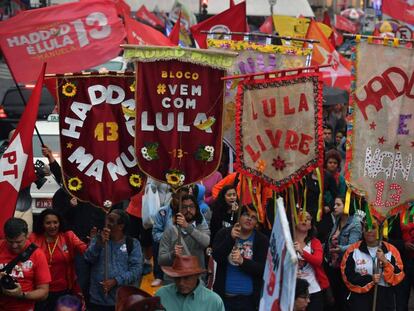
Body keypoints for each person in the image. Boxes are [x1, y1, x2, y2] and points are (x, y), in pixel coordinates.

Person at [84, 209, 143, 311]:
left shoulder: (132, 243)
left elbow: (136, 270)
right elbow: (88, 258)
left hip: (122, 300)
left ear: (121, 226)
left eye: (111, 221)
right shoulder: (98, 239)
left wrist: (116, 281)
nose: (107, 223)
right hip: (98, 300)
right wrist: (99, 244)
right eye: (107, 219)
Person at [212, 205, 269, 310]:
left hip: (249, 301)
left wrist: (243, 262)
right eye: (246, 215)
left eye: (254, 217)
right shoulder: (224, 233)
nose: (249, 219)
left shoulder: (262, 240)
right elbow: (216, 256)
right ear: (239, 216)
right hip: (225, 299)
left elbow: (263, 269)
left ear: (257, 222)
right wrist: (230, 239)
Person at [29, 209, 87, 311]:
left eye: (55, 222)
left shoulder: (68, 236)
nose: (52, 226)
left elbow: (86, 251)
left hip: (63, 290)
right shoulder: (33, 238)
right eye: (48, 223)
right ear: (42, 224)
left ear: (60, 223)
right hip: (40, 290)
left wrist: (95, 242)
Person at [341, 220, 405, 310]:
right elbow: (347, 277)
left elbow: (398, 277)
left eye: (374, 227)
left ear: (380, 230)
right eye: (366, 227)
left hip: (384, 300)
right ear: (362, 229)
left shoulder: (391, 250)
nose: (369, 230)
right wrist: (370, 279)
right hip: (359, 302)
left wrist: (386, 263)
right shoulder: (352, 250)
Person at [0, 218, 51, 311]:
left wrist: (21, 294)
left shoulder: (37, 254)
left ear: (27, 235)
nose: (14, 246)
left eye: (19, 242)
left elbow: (44, 293)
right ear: (5, 236)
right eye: (10, 242)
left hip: (24, 308)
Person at [158, 194, 210, 284]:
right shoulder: (170, 230)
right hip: (173, 281)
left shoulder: (201, 227)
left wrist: (187, 227)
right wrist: (172, 254)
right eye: (184, 207)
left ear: (196, 209)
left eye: (191, 207)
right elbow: (161, 260)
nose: (188, 210)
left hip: (195, 280)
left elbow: (206, 242)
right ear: (179, 210)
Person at [325, 196, 362, 310]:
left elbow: (354, 246)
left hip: (345, 267)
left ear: (346, 206)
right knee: (333, 298)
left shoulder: (355, 223)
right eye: (334, 204)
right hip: (333, 265)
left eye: (338, 204)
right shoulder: (337, 220)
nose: (334, 207)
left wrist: (339, 249)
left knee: (343, 299)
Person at [156, 255, 224, 311]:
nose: (181, 283)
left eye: (186, 278)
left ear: (197, 276)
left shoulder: (214, 301)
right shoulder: (161, 295)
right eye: (177, 278)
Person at [152, 187, 189, 287]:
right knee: (156, 245)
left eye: (184, 199)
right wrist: (169, 240)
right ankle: (159, 275)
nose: (181, 202)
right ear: (173, 196)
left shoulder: (191, 211)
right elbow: (155, 234)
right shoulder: (162, 212)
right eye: (178, 199)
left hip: (185, 245)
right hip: (166, 245)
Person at [294, 211, 330, 311]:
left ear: (310, 226)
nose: (305, 220)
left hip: (313, 291)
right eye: (301, 217)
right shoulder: (287, 241)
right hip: (294, 291)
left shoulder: (315, 242)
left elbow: (318, 261)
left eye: (308, 218)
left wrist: (302, 252)